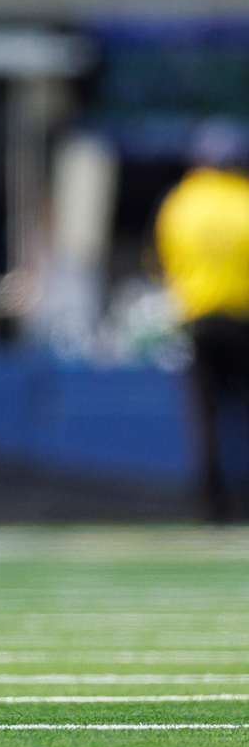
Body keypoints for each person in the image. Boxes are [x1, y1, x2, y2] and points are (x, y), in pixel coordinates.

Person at [154, 124, 249, 523]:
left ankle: (212, 506)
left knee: (205, 420)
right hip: (244, 321)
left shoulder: (181, 203)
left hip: (200, 322)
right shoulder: (244, 200)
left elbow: (165, 262)